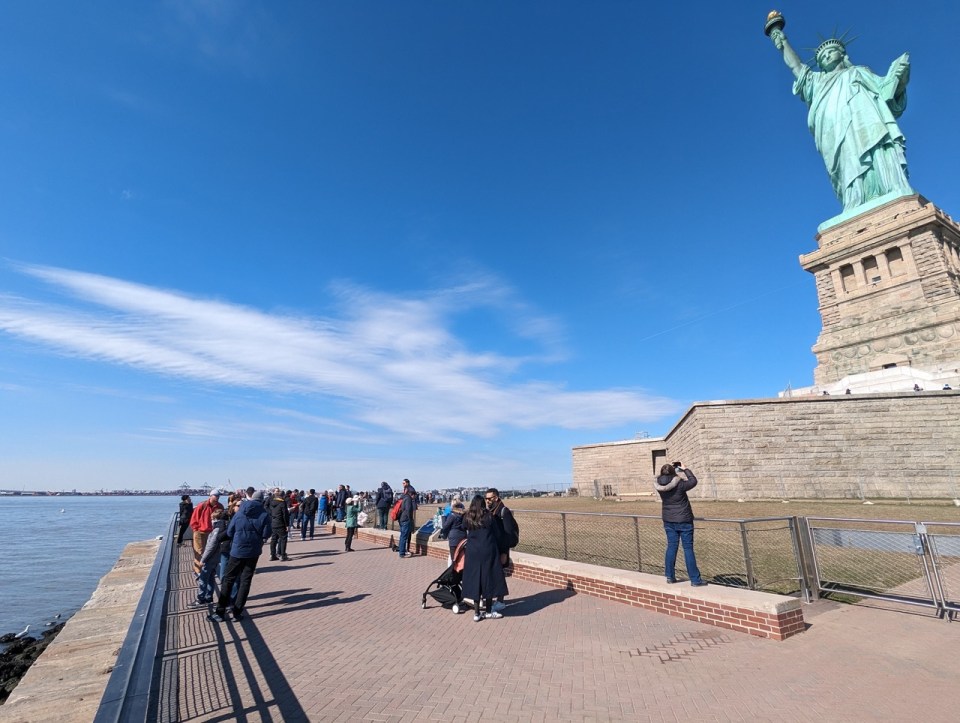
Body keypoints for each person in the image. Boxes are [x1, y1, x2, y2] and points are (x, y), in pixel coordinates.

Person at [768, 16, 913, 213]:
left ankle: (890, 189)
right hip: (835, 134)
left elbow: (886, 93)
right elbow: (796, 67)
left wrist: (899, 77)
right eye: (821, 57)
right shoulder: (817, 82)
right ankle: (855, 201)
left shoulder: (859, 72)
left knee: (877, 151)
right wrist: (781, 40)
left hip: (868, 127)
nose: (825, 56)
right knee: (847, 164)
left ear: (841, 53)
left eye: (830, 52)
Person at [210, 486, 271, 623]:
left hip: (237, 551)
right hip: (253, 552)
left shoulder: (240, 512)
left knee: (228, 579)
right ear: (261, 501)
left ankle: (220, 612)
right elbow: (267, 533)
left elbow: (230, 532)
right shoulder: (264, 514)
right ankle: (237, 612)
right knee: (245, 580)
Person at [655, 463, 706, 587]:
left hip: (669, 520)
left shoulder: (659, 484)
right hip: (684, 520)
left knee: (671, 547)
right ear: (674, 472)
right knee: (688, 549)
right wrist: (685, 469)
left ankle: (670, 576)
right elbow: (693, 481)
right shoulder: (680, 484)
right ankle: (695, 579)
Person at [461, 495, 509, 621]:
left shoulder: (467, 517)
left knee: (475, 580)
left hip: (473, 552)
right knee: (489, 579)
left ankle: (476, 613)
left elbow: (463, 528)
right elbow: (497, 534)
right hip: (488, 550)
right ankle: (488, 611)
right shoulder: (489, 516)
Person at [485, 488, 518, 614]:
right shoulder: (491, 511)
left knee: (499, 575)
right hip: (493, 548)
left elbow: (508, 534)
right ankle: (496, 600)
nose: (487, 501)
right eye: (486, 498)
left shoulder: (504, 512)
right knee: (495, 575)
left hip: (501, 549)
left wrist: (504, 552)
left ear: (496, 498)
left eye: (489, 498)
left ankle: (500, 601)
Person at [192, 509, 227, 606]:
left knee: (203, 578)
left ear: (215, 519)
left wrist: (203, 559)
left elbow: (211, 546)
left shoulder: (216, 530)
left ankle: (201, 598)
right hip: (217, 558)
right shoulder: (224, 527)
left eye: (212, 519)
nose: (211, 521)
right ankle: (209, 597)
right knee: (211, 577)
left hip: (210, 558)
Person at [189, 491, 224, 575]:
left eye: (218, 496)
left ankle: (208, 569)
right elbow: (194, 518)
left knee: (209, 551)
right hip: (200, 531)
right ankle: (198, 571)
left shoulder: (219, 506)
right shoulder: (202, 505)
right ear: (210, 496)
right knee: (199, 551)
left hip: (212, 532)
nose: (217, 498)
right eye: (215, 496)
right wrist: (196, 529)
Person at [439, 500, 466, 565]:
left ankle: (454, 572)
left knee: (454, 557)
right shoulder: (464, 515)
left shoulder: (452, 516)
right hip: (463, 537)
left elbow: (445, 526)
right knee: (461, 557)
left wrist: (443, 517)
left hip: (454, 539)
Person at [268, 488, 291, 561]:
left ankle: (272, 555)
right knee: (283, 538)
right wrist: (287, 525)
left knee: (274, 539)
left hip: (273, 522)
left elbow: (270, 511)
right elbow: (285, 514)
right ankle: (283, 555)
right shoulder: (282, 503)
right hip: (280, 523)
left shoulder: (272, 502)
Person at [397, 485, 417, 558]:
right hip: (406, 519)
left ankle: (401, 550)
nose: (414, 498)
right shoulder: (408, 499)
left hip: (402, 519)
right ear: (412, 495)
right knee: (404, 536)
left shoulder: (404, 498)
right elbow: (408, 510)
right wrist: (410, 519)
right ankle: (402, 553)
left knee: (402, 536)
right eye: (414, 496)